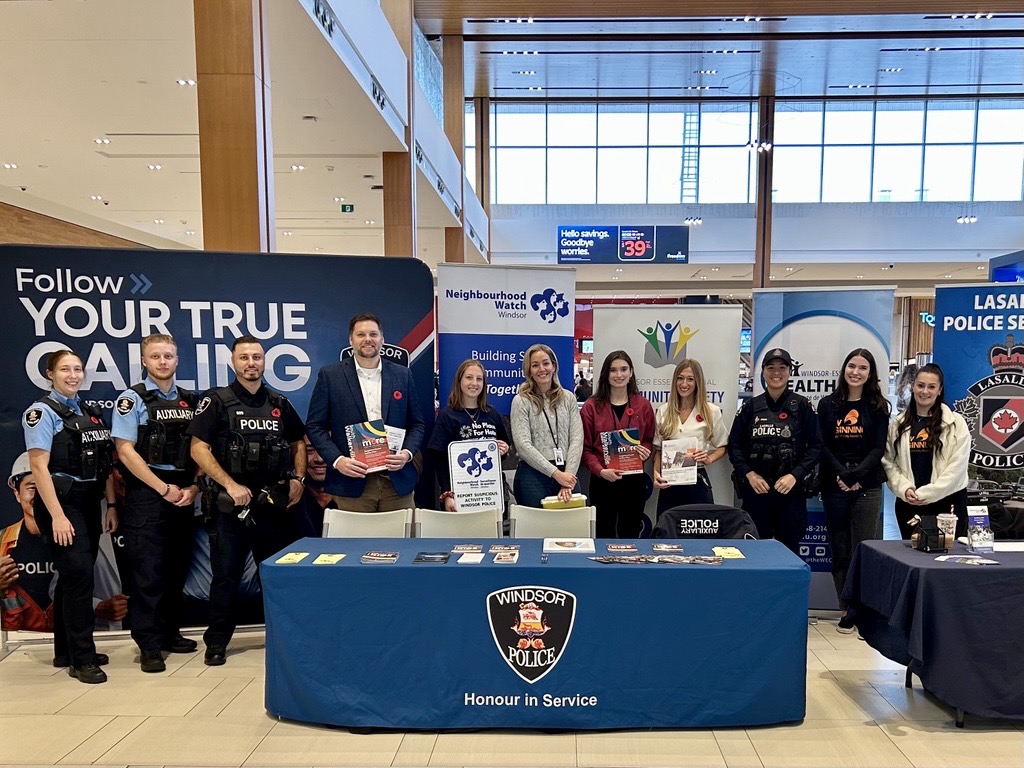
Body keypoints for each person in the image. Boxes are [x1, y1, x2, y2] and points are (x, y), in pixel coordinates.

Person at [187, 336, 307, 666]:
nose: (251, 363)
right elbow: (198, 448)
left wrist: (298, 478)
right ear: (233, 362)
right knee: (225, 576)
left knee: (278, 575)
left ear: (264, 361)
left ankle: (284, 637)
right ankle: (216, 642)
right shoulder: (217, 401)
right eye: (244, 358)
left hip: (272, 505)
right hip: (231, 505)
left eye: (256, 357)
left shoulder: (279, 401)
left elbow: (298, 442)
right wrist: (230, 483)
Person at [22, 350, 117, 684]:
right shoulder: (41, 413)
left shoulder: (88, 412)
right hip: (62, 504)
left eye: (78, 369)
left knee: (73, 575)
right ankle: (83, 659)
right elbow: (38, 467)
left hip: (90, 502)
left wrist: (111, 505)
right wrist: (58, 515)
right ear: (50, 373)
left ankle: (65, 650)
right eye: (65, 369)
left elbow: (104, 463)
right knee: (79, 577)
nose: (73, 375)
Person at [111, 333, 200, 672]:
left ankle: (169, 634)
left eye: (169, 356)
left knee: (177, 569)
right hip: (149, 494)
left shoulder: (191, 400)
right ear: (144, 362)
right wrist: (163, 489)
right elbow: (125, 451)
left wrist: (192, 488)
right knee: (148, 573)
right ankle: (149, 645)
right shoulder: (131, 399)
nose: (163, 362)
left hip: (183, 493)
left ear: (177, 361)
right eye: (156, 357)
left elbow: (199, 452)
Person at [306, 313, 426, 512]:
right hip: (352, 482)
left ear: (382, 339)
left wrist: (406, 454)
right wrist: (338, 461)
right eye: (361, 334)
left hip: (396, 482)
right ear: (351, 340)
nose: (367, 339)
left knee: (400, 543)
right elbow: (314, 426)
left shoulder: (402, 375)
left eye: (373, 334)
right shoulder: (330, 376)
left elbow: (417, 424)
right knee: (354, 544)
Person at [817, 349, 890, 633]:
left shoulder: (878, 406)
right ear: (844, 369)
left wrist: (857, 475)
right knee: (840, 549)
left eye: (862, 368)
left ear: (870, 373)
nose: (856, 372)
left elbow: (878, 447)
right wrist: (842, 474)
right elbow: (822, 445)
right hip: (834, 484)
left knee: (865, 548)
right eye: (851, 366)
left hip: (867, 485)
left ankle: (865, 611)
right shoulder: (827, 405)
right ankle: (846, 609)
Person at [728, 348, 821, 554]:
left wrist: (794, 475)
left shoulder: (802, 406)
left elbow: (816, 446)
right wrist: (749, 474)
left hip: (789, 493)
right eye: (771, 367)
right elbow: (734, 446)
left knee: (788, 553)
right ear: (763, 371)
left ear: (790, 371)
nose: (776, 372)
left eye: (782, 367)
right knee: (754, 553)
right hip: (756, 493)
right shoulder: (751, 407)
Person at [883, 362, 970, 540]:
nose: (925, 392)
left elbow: (957, 467)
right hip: (909, 503)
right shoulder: (898, 425)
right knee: (913, 559)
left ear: (940, 390)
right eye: (920, 385)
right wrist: (905, 489)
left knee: (949, 560)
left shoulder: (956, 423)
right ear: (912, 386)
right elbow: (889, 462)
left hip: (947, 502)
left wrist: (927, 494)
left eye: (931, 387)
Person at [580, 351, 655, 537]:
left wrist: (646, 450)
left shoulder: (643, 405)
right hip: (603, 481)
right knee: (603, 533)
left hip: (633, 481)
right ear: (606, 374)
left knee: (630, 533)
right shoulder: (592, 406)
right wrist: (600, 471)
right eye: (613, 370)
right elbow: (585, 448)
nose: (618, 375)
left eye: (623, 369)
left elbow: (648, 439)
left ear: (631, 373)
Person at [427, 360, 509, 511]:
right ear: (459, 381)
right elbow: (438, 458)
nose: (474, 383)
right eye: (469, 377)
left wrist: (503, 451)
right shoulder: (447, 416)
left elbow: (502, 453)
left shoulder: (493, 415)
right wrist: (447, 494)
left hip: (490, 493)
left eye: (479, 379)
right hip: (459, 494)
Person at [652, 358, 728, 516]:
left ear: (698, 382)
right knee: (668, 533)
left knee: (700, 535)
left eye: (690, 379)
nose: (684, 384)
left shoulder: (711, 411)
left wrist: (709, 459)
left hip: (697, 481)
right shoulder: (664, 411)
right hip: (670, 483)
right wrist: (656, 473)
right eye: (680, 378)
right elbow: (658, 449)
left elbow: (723, 446)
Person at [510, 344, 583, 508]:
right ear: (529, 370)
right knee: (536, 529)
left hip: (567, 472)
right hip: (532, 476)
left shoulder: (569, 398)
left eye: (546, 363)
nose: (541, 369)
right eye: (535, 365)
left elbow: (577, 439)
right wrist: (556, 474)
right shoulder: (521, 401)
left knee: (570, 528)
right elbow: (522, 445)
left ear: (554, 366)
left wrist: (568, 477)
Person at [2, 452, 53, 631]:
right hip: (17, 644)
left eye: (46, 486)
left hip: (67, 642)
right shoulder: (2, 543)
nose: (40, 495)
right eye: (32, 487)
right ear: (17, 493)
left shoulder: (77, 540)